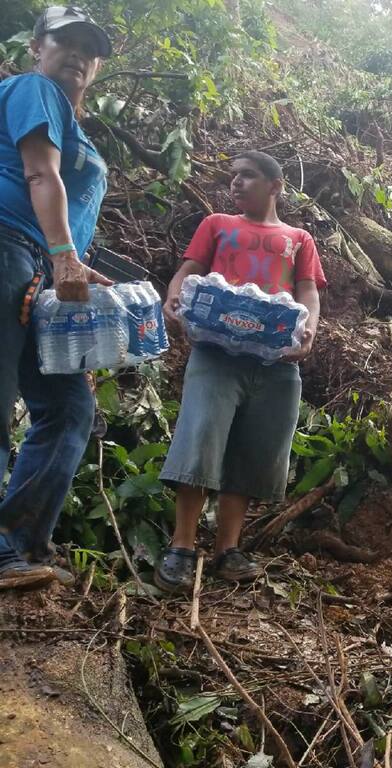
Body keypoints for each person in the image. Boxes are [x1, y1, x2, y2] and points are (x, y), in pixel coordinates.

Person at [154, 150, 326, 594]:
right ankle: (182, 547)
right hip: (216, 354)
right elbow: (189, 271)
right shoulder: (216, 225)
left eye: (247, 176)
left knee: (257, 449)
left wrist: (307, 331)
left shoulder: (299, 238)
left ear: (275, 186)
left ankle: (228, 550)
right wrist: (174, 297)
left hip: (275, 362)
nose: (235, 183)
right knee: (201, 437)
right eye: (232, 176)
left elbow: (307, 292)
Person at [0, 7, 113, 589]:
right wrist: (64, 254)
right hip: (5, 246)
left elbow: (61, 202)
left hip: (39, 267)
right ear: (36, 47)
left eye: (89, 50)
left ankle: (18, 542)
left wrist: (75, 264)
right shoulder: (32, 88)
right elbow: (39, 176)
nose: (77, 56)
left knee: (69, 409)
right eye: (65, 41)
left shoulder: (77, 125)